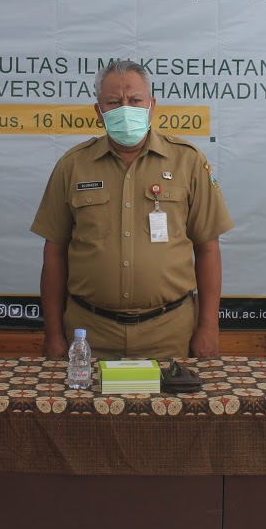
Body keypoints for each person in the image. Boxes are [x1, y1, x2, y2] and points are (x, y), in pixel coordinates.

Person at [30, 59, 233, 360]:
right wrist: (53, 334)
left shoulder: (188, 161)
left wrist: (209, 328)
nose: (125, 109)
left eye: (135, 100)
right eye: (114, 102)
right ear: (99, 111)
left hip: (169, 333)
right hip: (89, 334)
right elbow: (54, 253)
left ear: (152, 106)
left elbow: (207, 249)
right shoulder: (73, 166)